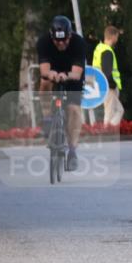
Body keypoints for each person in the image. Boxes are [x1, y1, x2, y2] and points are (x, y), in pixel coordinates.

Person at [36, 15, 86, 171]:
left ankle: (72, 150)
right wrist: (51, 75)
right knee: (44, 82)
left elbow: (77, 74)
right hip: (53, 71)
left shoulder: (78, 43)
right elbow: (44, 70)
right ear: (52, 37)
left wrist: (66, 76)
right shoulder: (44, 42)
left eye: (64, 40)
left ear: (70, 35)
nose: (61, 43)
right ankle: (47, 118)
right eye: (57, 41)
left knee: (73, 109)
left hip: (72, 74)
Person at [92, 25, 124, 126]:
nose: (117, 39)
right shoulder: (107, 51)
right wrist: (112, 84)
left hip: (101, 85)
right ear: (113, 36)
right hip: (109, 87)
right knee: (113, 112)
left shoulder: (99, 48)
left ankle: (108, 130)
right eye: (117, 36)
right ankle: (107, 132)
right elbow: (107, 71)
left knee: (116, 111)